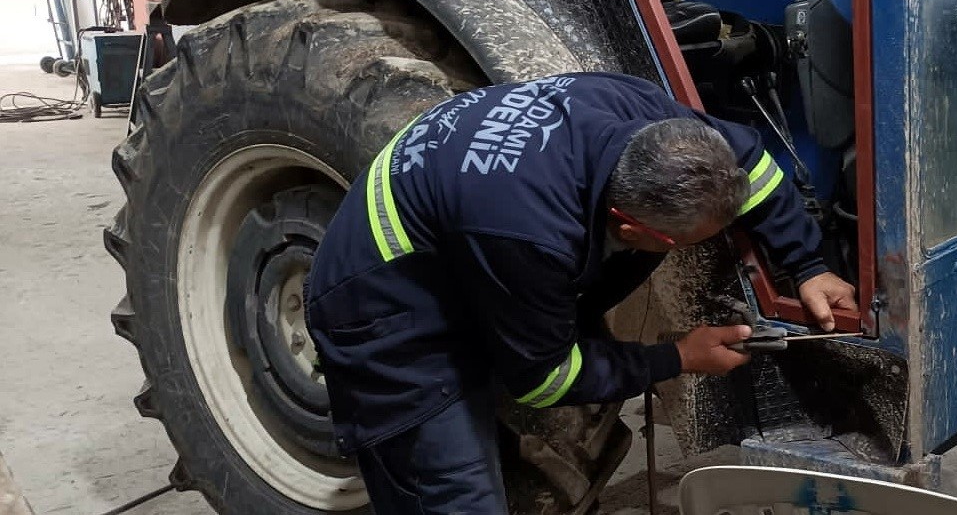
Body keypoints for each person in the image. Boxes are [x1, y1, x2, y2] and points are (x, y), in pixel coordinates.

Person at [307, 71, 856, 515]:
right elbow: (543, 381)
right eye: (679, 245)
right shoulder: (527, 234)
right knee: (451, 495)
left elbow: (752, 167)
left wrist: (808, 267)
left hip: (461, 232)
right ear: (629, 226)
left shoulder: (646, 118)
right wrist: (677, 357)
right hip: (383, 306)